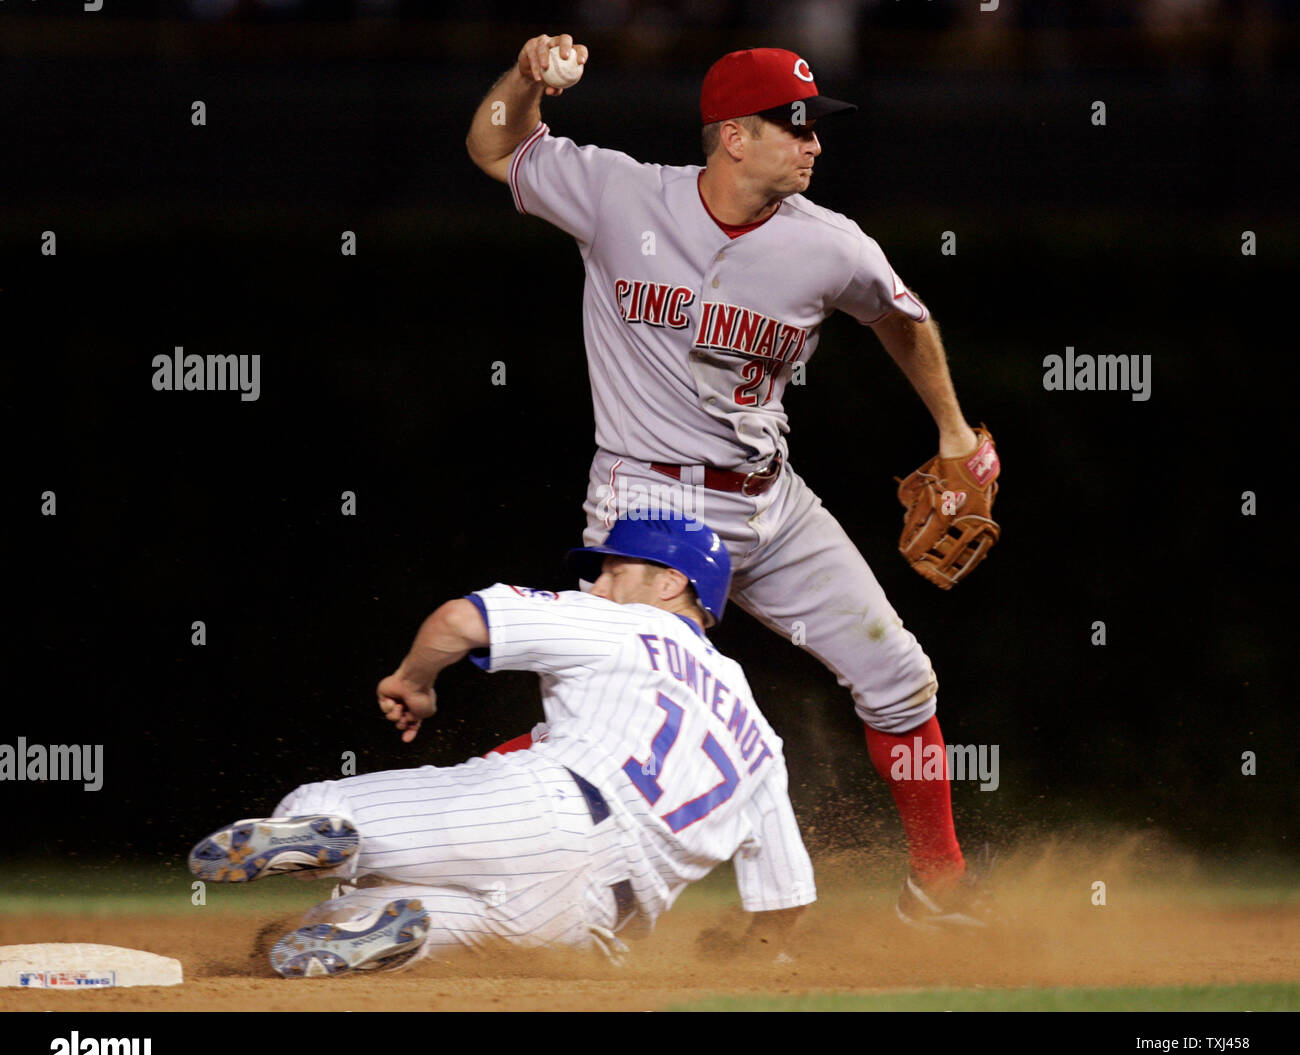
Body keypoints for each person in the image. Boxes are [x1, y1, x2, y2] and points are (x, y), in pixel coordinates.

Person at [465, 36, 998, 928]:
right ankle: (447, 824)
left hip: (771, 500)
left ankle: (936, 883)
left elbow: (904, 319)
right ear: (732, 137)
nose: (814, 142)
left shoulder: (832, 246)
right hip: (650, 502)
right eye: (793, 125)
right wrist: (523, 81)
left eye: (816, 126)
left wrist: (950, 429)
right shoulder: (621, 193)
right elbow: (495, 147)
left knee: (901, 678)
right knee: (614, 721)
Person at [188, 516, 815, 978]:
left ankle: (330, 834)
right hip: (596, 919)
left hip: (550, 810)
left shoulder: (627, 621)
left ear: (670, 583)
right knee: (338, 926)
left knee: (318, 805)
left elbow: (460, 620)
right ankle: (380, 932)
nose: (597, 585)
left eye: (612, 570)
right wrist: (742, 954)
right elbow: (785, 901)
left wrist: (413, 683)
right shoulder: (761, 737)